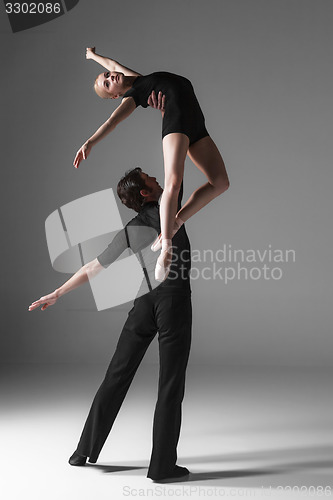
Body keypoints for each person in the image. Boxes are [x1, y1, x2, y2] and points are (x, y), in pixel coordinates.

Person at [29, 168, 192, 482]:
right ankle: (161, 467)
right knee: (170, 383)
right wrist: (175, 120)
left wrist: (58, 293)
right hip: (173, 301)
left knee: (116, 376)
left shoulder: (130, 229)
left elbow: (95, 266)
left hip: (144, 304)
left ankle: (83, 451)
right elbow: (177, 170)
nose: (156, 178)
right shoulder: (168, 207)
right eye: (149, 178)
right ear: (145, 193)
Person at [73, 47, 230, 282]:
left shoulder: (139, 80)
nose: (109, 77)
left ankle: (175, 222)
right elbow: (111, 122)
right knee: (173, 182)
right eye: (106, 83)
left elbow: (112, 64)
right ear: (115, 96)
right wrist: (90, 142)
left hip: (196, 124)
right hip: (176, 123)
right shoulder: (135, 93)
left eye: (107, 75)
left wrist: (93, 57)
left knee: (220, 183)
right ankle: (166, 248)